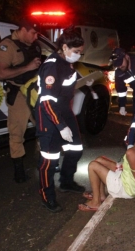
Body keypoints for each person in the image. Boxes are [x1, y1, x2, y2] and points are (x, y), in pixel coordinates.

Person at [35, 26, 86, 213]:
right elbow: (47, 101)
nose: (79, 55)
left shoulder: (66, 63)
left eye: (81, 52)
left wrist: (81, 83)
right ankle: (47, 196)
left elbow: (63, 90)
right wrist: (60, 126)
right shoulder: (52, 65)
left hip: (64, 112)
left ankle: (66, 181)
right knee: (50, 160)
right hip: (50, 117)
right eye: (76, 52)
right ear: (64, 47)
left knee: (76, 149)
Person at [79, 121, 135, 211]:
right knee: (99, 160)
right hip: (129, 177)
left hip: (126, 189)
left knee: (92, 165)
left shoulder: (132, 153)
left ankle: (96, 202)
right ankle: (101, 196)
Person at [0, 18, 42, 183]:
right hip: (20, 95)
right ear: (23, 29)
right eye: (33, 33)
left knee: (44, 127)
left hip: (36, 93)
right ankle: (19, 170)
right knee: (17, 133)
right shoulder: (7, 46)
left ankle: (45, 161)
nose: (36, 37)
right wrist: (27, 68)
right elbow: (2, 74)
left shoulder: (34, 45)